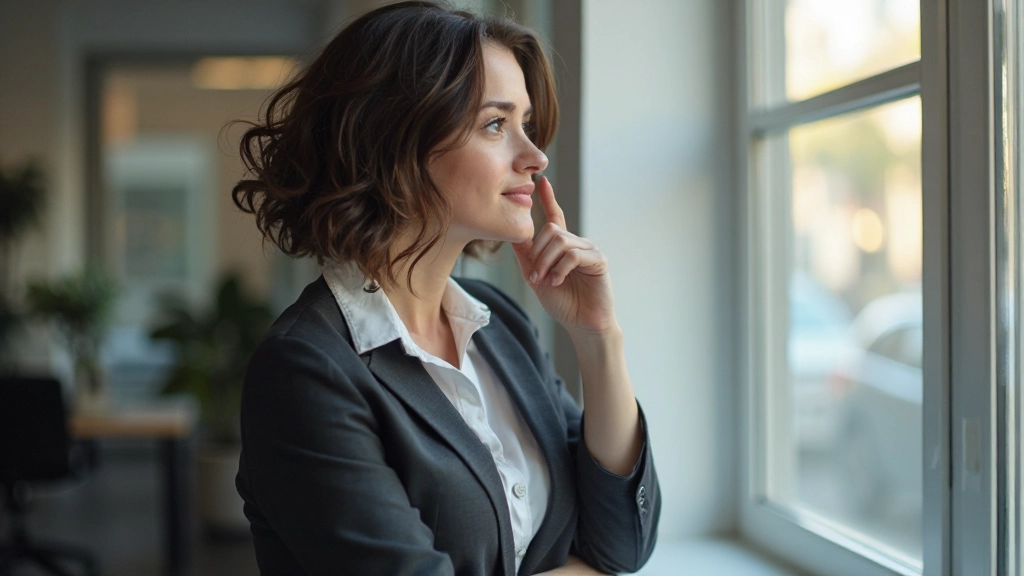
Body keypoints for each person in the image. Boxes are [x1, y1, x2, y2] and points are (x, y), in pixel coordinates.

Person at [231, 2, 660, 574]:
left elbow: (621, 547)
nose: (535, 156)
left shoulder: (500, 326)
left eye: (525, 124)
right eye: (495, 124)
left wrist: (599, 339)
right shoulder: (306, 369)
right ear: (396, 142)